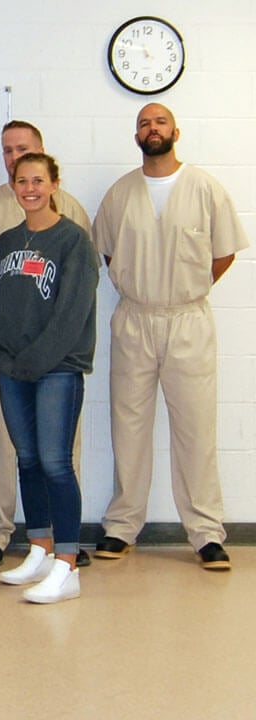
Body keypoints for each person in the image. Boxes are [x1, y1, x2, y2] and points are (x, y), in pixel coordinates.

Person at [93, 103, 247, 571]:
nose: (152, 128)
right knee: (129, 426)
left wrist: (186, 288)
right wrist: (142, 286)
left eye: (159, 121)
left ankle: (205, 533)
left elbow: (223, 255)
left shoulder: (204, 189)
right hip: (135, 320)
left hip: (187, 320)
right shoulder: (120, 194)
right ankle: (122, 526)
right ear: (136, 135)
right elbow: (107, 254)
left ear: (175, 130)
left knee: (196, 428)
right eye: (144, 123)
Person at [0, 121, 92, 568]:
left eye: (38, 179)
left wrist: (36, 360)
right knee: (26, 459)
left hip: (56, 367)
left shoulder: (73, 237)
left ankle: (67, 555)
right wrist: (1, 356)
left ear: (54, 183)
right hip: (12, 367)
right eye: (22, 180)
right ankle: (39, 549)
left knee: (56, 461)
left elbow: (73, 311)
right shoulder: (5, 240)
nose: (29, 187)